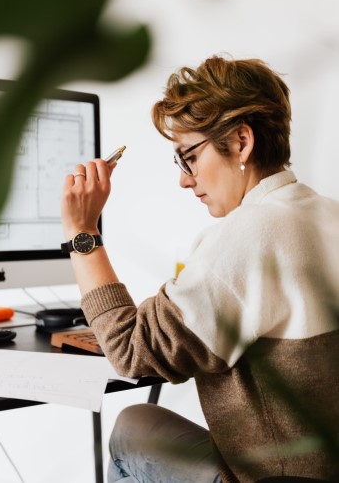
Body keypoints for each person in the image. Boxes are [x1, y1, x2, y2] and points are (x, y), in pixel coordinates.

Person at [61, 56, 339, 483]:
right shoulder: (327, 214)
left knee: (132, 427)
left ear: (241, 142)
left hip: (271, 476)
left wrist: (83, 232)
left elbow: (131, 352)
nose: (184, 180)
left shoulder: (253, 231)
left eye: (188, 156)